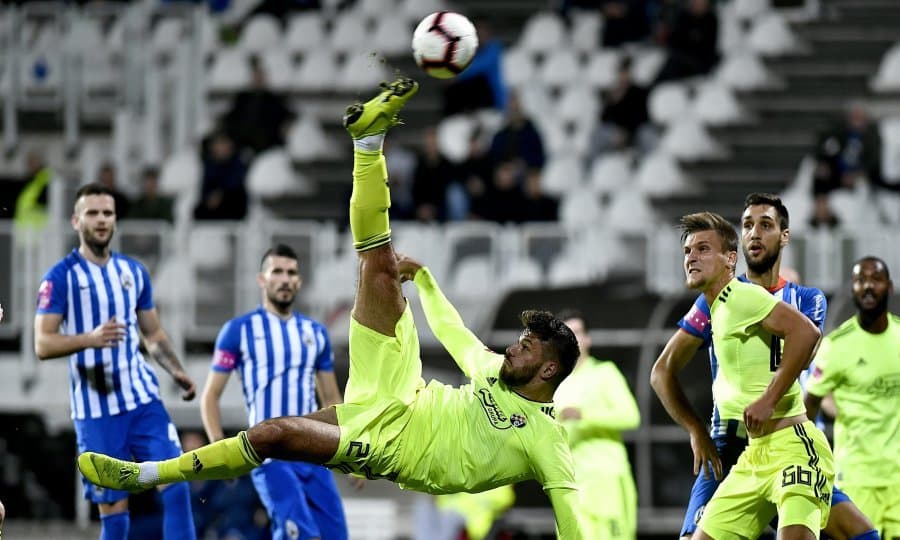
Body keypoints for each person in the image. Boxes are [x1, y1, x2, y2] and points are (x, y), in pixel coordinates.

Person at [78, 77, 587, 539]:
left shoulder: (546, 439)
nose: (510, 349)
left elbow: (570, 521)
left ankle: (147, 474)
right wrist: (427, 281)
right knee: (379, 266)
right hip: (400, 386)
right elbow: (455, 334)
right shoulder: (495, 373)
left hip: (394, 447)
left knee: (272, 433)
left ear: (548, 367)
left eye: (525, 348)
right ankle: (368, 142)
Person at [652, 193, 877, 540]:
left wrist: (768, 400)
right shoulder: (716, 299)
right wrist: (696, 430)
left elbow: (804, 342)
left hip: (785, 434)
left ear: (784, 236)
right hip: (732, 443)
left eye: (766, 225)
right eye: (747, 226)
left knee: (849, 529)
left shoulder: (797, 299)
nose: (754, 234)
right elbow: (662, 370)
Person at [33, 183, 197, 540]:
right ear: (76, 221)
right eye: (92, 213)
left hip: (143, 402)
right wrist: (89, 339)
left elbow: (152, 334)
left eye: (107, 213)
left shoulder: (133, 272)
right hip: (96, 412)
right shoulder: (60, 278)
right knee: (114, 510)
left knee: (177, 483)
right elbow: (42, 344)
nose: (101, 220)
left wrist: (176, 370)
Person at [200, 243, 348, 540]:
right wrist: (220, 449)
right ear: (262, 279)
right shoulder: (238, 330)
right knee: (299, 533)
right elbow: (210, 396)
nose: (284, 278)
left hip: (313, 452)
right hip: (269, 454)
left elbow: (332, 400)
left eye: (291, 272)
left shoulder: (315, 333)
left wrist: (348, 453)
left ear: (299, 281)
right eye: (276, 271)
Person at [806, 257, 900, 539]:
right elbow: (809, 405)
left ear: (890, 287)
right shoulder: (837, 346)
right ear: (852, 289)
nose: (868, 286)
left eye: (876, 279)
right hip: (857, 477)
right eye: (860, 280)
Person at [555, 309, 640, 539]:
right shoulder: (554, 383)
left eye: (577, 333)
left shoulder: (605, 373)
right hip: (571, 485)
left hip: (606, 482)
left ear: (588, 339)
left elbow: (630, 416)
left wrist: (583, 416)